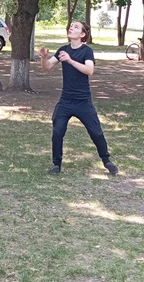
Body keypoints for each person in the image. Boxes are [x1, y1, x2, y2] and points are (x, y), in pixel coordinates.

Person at [39, 21, 118, 176]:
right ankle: (56, 164)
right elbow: (46, 67)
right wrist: (44, 58)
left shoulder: (87, 51)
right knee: (57, 132)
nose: (71, 28)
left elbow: (89, 70)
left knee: (96, 133)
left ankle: (106, 160)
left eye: (76, 27)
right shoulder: (63, 50)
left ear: (82, 34)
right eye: (71, 26)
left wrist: (70, 60)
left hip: (83, 102)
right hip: (65, 101)